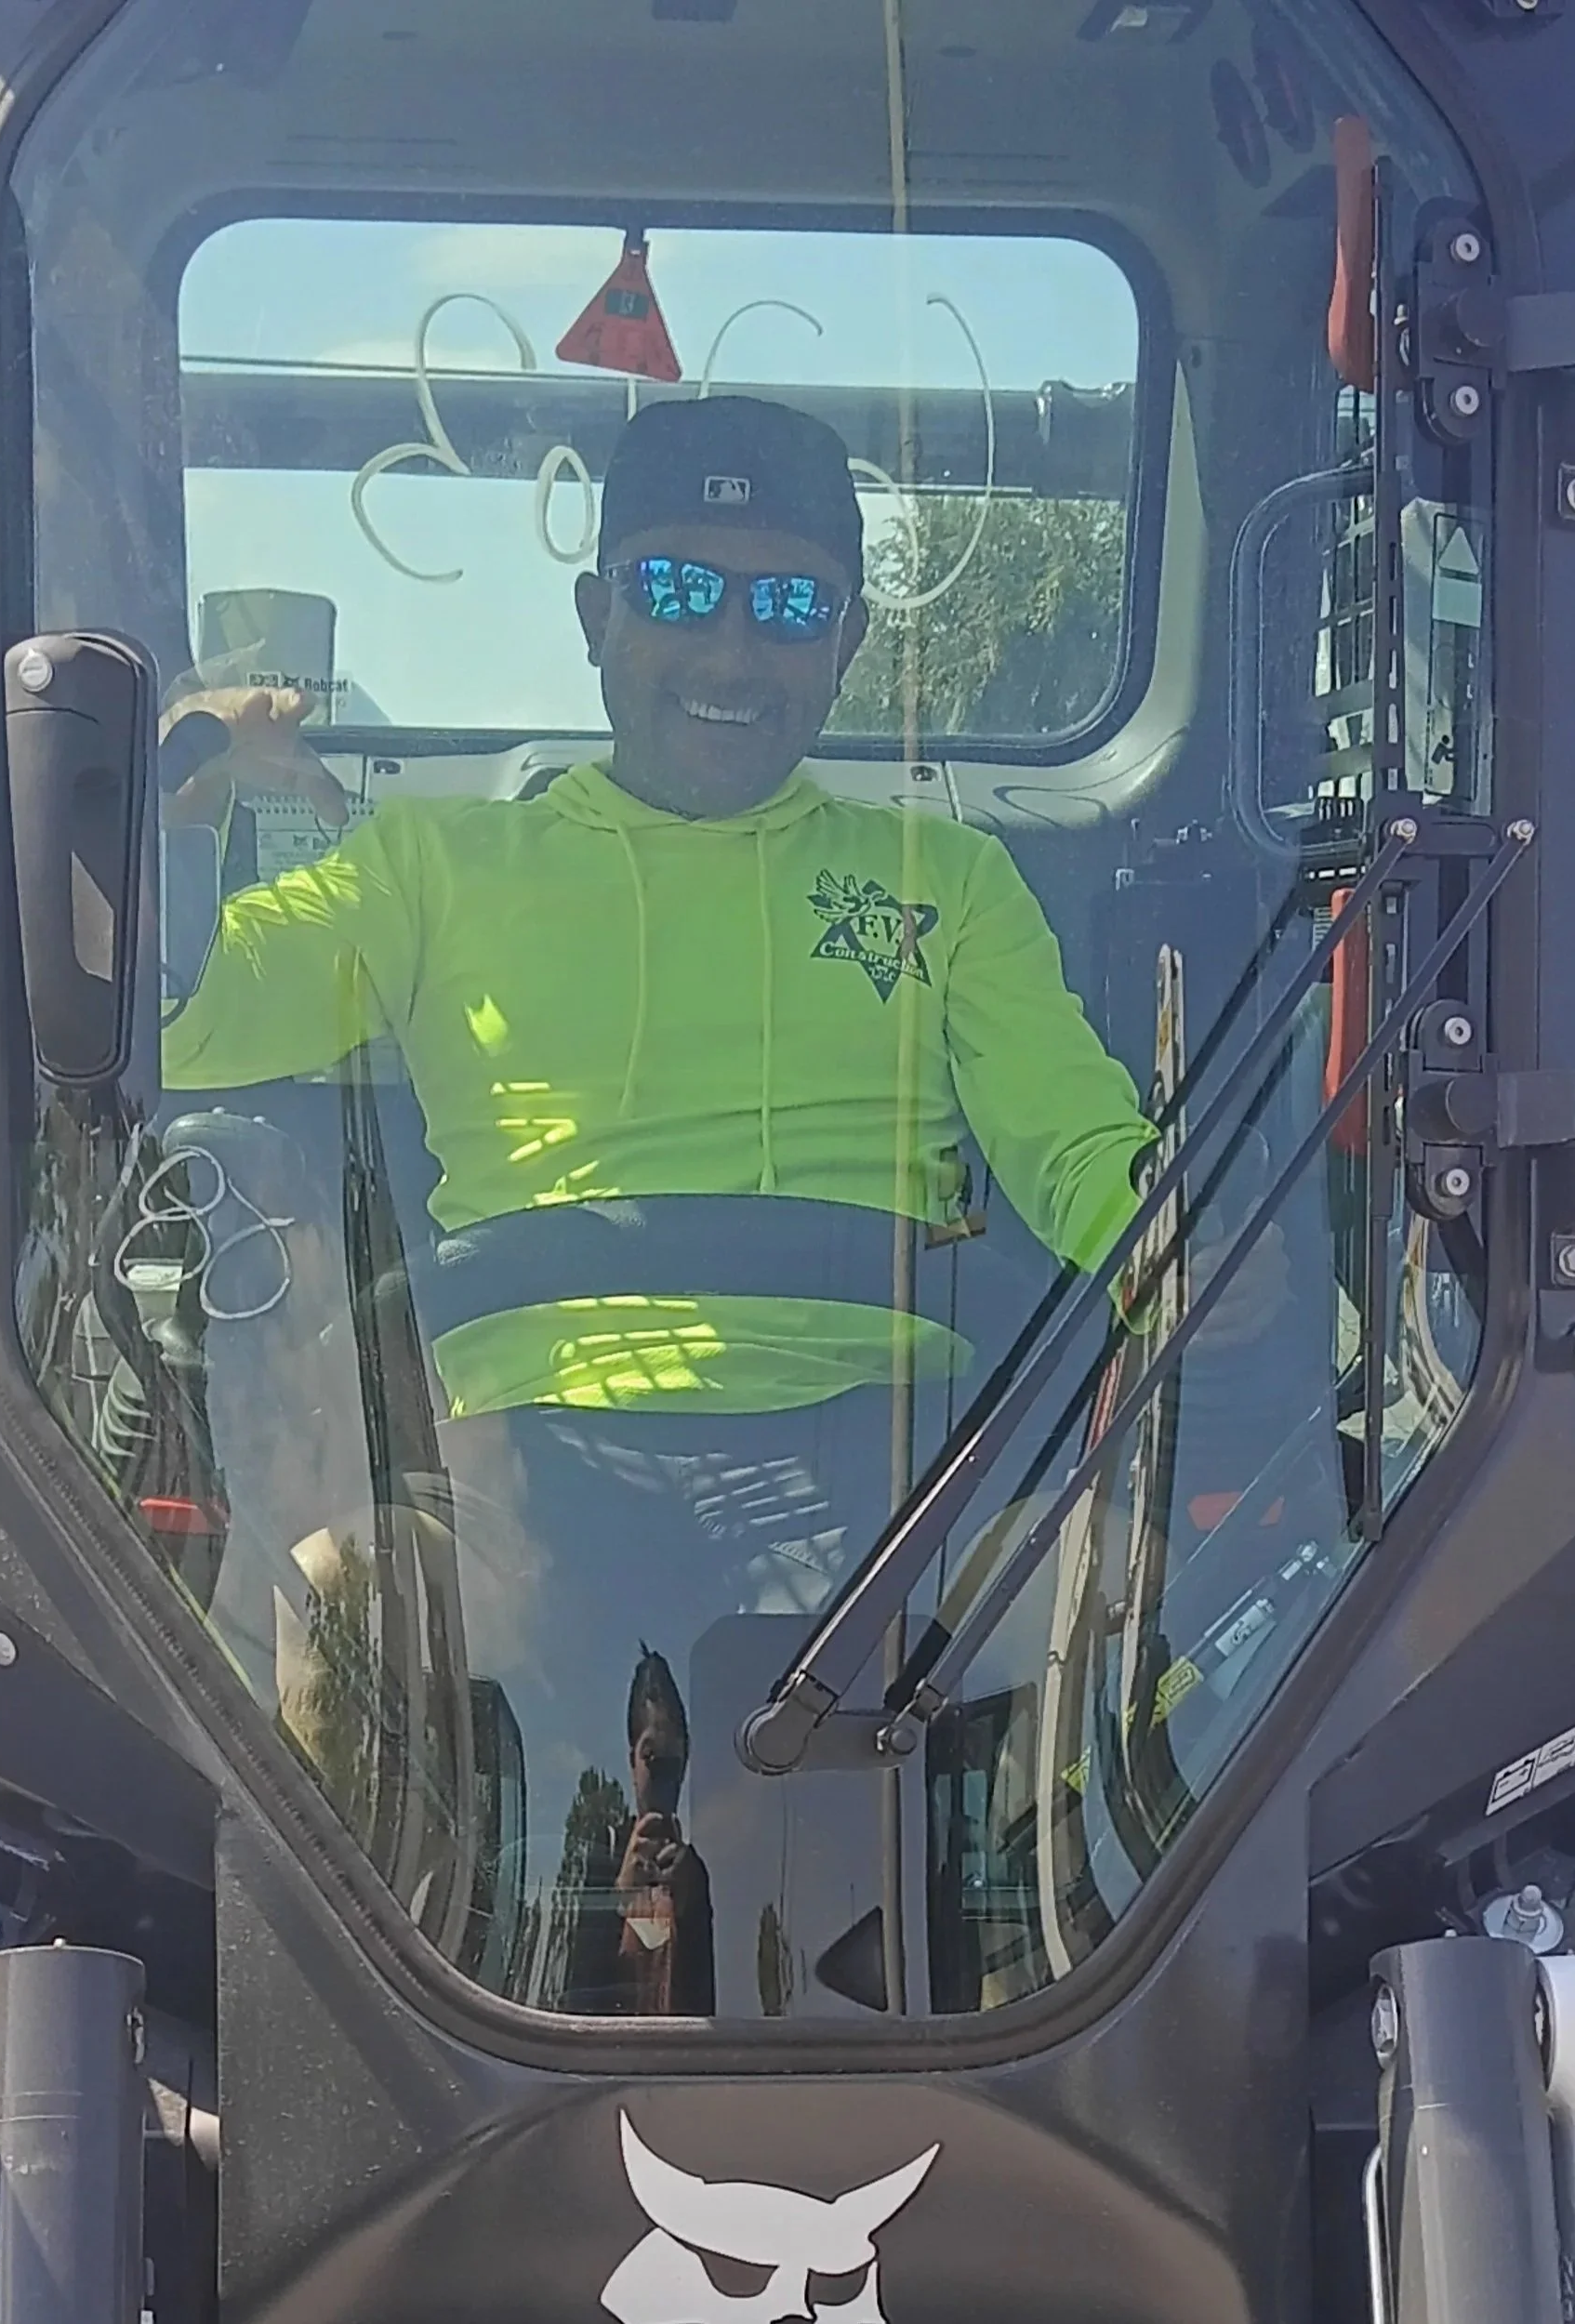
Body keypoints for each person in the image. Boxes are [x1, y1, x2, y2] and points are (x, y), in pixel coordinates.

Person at [160, 395, 1289, 2007]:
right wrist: (181, 787)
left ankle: (1021, 2048)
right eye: (684, 593)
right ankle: (383, 2054)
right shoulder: (425, 871)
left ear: (845, 641)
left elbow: (1069, 1140)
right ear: (597, 616)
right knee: (351, 1597)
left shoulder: (946, 886)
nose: (735, 651)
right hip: (526, 1442)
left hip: (883, 1440)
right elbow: (185, 1016)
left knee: (1086, 1586)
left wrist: (1169, 1233)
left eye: (791, 605)